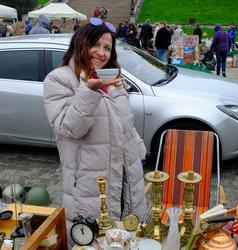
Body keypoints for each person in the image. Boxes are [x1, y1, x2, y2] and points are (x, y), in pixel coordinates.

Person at [43, 18, 147, 247]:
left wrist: (139, 154)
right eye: (96, 45)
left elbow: (125, 124)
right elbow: (68, 129)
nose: (101, 53)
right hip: (91, 188)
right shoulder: (60, 80)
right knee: (94, 241)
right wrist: (89, 90)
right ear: (81, 43)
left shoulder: (112, 80)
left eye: (107, 48)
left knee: (125, 239)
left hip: (126, 181)